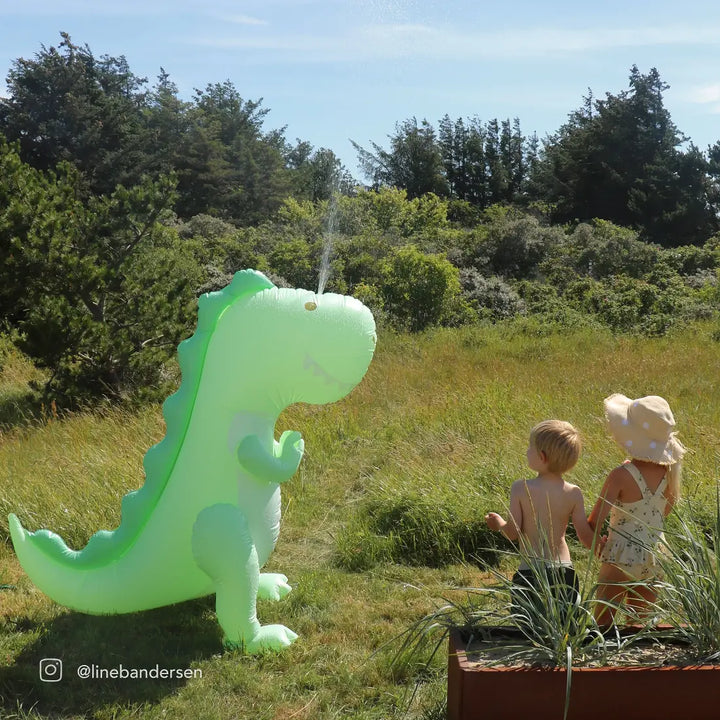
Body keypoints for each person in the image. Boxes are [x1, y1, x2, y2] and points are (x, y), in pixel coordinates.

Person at [588, 394, 686, 627]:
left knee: (602, 624)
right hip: (655, 552)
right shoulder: (670, 475)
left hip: (620, 554)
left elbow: (595, 520)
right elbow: (663, 512)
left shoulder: (621, 475)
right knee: (640, 626)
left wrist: (593, 540)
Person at [485, 420, 595, 620]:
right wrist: (601, 543)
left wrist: (498, 523)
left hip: (530, 569)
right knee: (565, 624)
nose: (527, 451)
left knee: (527, 625)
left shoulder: (521, 488)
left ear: (542, 457)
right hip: (564, 569)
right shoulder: (573, 493)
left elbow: (512, 533)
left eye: (530, 447)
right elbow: (585, 535)